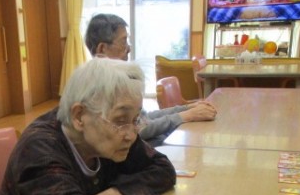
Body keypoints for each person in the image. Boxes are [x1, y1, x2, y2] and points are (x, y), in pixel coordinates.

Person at [0, 58, 232, 195]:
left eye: (135, 119)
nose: (131, 134)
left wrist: (116, 194)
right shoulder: (39, 147)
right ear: (79, 116)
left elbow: (162, 169)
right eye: (120, 120)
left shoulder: (114, 134)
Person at [84, 13, 218, 146]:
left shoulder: (116, 78)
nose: (129, 48)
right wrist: (186, 116)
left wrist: (185, 109)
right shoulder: (100, 85)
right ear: (102, 49)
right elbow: (139, 129)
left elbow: (144, 118)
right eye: (123, 42)